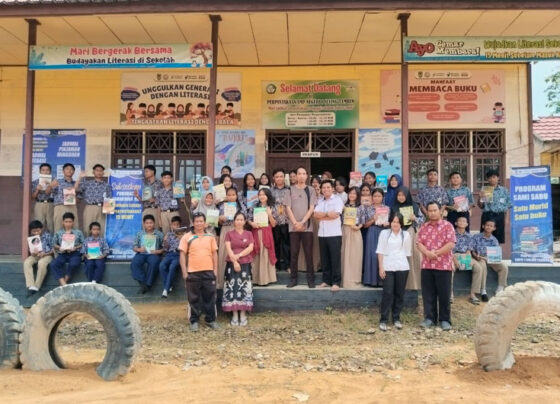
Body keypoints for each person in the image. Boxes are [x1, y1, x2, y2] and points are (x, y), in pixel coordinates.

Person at [416, 201, 456, 331]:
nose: (432, 213)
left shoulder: (447, 226)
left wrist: (437, 253)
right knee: (428, 293)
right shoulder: (424, 227)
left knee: (444, 294)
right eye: (430, 210)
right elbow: (419, 243)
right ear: (427, 212)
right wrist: (427, 253)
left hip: (443, 266)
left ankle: (445, 320)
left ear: (440, 211)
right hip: (427, 265)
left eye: (435, 210)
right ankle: (429, 318)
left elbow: (451, 244)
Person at [179, 212, 219, 332]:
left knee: (210, 297)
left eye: (201, 221)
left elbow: (214, 254)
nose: (199, 223)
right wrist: (184, 272)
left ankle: (210, 320)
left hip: (208, 271)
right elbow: (182, 255)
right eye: (197, 221)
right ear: (193, 223)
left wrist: (215, 270)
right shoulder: (187, 237)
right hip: (193, 272)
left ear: (205, 223)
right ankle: (194, 321)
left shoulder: (210, 237)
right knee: (193, 298)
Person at [377, 212, 412, 331]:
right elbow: (380, 251)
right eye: (393, 221)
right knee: (387, 293)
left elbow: (407, 253)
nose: (395, 224)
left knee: (399, 293)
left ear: (401, 223)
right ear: (390, 222)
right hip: (388, 266)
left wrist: (406, 266)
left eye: (397, 222)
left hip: (402, 266)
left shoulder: (406, 235)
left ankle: (396, 318)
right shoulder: (384, 233)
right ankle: (383, 319)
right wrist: (381, 267)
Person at [286, 167, 317, 288]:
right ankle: (293, 279)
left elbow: (312, 208)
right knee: (294, 253)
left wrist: (303, 222)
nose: (301, 176)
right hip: (293, 227)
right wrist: (295, 223)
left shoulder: (311, 190)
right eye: (299, 174)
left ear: (307, 176)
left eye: (304, 174)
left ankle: (311, 279)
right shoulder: (289, 190)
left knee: (309, 253)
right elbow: (288, 208)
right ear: (296, 176)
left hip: (307, 227)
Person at [223, 212, 255, 326]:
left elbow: (251, 248)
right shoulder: (229, 234)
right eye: (237, 219)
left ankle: (243, 313)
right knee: (233, 288)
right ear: (234, 221)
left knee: (244, 288)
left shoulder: (249, 234)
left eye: (242, 219)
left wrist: (239, 256)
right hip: (231, 264)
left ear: (245, 221)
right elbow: (228, 248)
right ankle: (234, 314)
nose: (239, 221)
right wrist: (235, 261)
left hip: (245, 263)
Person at [391, 186, 423, 291]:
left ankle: (413, 284)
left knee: (412, 258)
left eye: (403, 195)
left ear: (407, 195)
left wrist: (415, 219)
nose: (401, 197)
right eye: (399, 195)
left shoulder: (414, 206)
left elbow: (422, 220)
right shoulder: (394, 207)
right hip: (397, 234)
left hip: (411, 233)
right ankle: (400, 285)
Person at [314, 180, 344, 291]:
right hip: (322, 233)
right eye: (324, 188)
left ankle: (336, 282)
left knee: (335, 259)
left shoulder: (337, 200)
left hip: (334, 234)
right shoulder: (320, 200)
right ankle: (326, 280)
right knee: (324, 258)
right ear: (321, 190)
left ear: (332, 189)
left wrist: (323, 216)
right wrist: (327, 214)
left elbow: (336, 215)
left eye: (328, 187)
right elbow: (315, 215)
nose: (326, 189)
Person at [248, 188, 278, 286]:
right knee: (256, 253)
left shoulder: (272, 207)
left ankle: (265, 279)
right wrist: (252, 223)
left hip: (266, 232)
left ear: (268, 196)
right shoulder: (254, 206)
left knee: (265, 253)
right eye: (260, 194)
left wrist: (269, 215)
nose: (261, 196)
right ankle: (256, 279)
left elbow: (274, 224)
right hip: (256, 232)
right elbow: (248, 218)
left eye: (264, 194)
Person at [472, 219, 509, 297]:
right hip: (479, 258)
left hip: (490, 259)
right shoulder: (476, 237)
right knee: (483, 266)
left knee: (504, 266)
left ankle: (500, 288)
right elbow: (472, 250)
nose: (489, 227)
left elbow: (496, 254)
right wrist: (476, 256)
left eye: (491, 226)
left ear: (494, 228)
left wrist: (494, 258)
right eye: (487, 225)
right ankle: (483, 290)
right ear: (483, 226)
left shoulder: (494, 240)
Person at [452, 216, 485, 305]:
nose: (462, 222)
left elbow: (469, 251)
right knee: (450, 268)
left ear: (467, 224)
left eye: (464, 221)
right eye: (460, 221)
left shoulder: (469, 236)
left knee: (478, 268)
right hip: (453, 255)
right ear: (456, 223)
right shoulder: (451, 234)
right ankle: (449, 294)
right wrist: (455, 261)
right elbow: (449, 250)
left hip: (465, 255)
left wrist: (467, 260)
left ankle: (473, 294)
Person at [217, 187, 244, 288]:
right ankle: (222, 281)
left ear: (236, 196)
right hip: (225, 229)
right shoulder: (222, 206)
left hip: (237, 230)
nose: (231, 197)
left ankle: (239, 278)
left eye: (233, 195)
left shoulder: (240, 206)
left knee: (238, 252)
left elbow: (244, 217)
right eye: (229, 195)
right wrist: (220, 218)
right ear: (226, 196)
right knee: (225, 253)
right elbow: (217, 221)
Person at [363, 188, 390, 287]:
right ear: (372, 197)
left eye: (379, 196)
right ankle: (371, 280)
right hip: (372, 231)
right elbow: (365, 225)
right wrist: (373, 219)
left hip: (383, 232)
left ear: (382, 197)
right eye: (375, 196)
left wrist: (387, 224)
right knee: (372, 255)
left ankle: (382, 280)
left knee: (383, 255)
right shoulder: (368, 208)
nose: (377, 198)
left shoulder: (387, 208)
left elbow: (390, 223)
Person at [131, 214, 164, 294]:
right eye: (147, 223)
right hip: (141, 254)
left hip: (153, 254)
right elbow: (134, 246)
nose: (149, 225)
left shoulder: (159, 234)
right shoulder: (139, 234)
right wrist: (139, 249)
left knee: (154, 263)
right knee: (135, 263)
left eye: (151, 223)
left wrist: (157, 251)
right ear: (144, 224)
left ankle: (148, 284)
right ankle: (143, 283)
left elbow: (164, 248)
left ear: (154, 223)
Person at [77, 164, 112, 236]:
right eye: (97, 170)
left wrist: (108, 210)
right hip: (90, 207)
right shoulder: (86, 183)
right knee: (87, 227)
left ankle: (100, 245)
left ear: (103, 173)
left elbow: (109, 198)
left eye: (101, 171)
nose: (99, 172)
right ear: (93, 172)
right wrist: (79, 178)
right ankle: (87, 244)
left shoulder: (107, 185)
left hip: (102, 208)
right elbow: (77, 191)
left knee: (101, 227)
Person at [477, 170, 511, 244]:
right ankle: (484, 254)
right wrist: (480, 198)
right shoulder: (486, 190)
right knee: (484, 236)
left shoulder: (504, 190)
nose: (492, 179)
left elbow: (508, 205)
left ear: (498, 178)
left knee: (498, 238)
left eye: (494, 177)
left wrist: (506, 219)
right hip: (487, 215)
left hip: (499, 216)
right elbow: (481, 206)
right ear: (487, 179)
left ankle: (496, 255)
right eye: (490, 178)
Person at [51, 212, 84, 286]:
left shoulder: (78, 232)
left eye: (70, 222)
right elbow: (53, 244)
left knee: (74, 263)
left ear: (73, 222)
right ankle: (63, 283)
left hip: (75, 253)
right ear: (63, 222)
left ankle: (64, 282)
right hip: (63, 253)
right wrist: (60, 247)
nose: (68, 223)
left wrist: (76, 247)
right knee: (53, 264)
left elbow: (84, 243)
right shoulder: (58, 233)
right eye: (66, 222)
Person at [23, 220, 54, 296]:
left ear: (42, 229)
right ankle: (31, 286)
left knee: (41, 263)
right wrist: (33, 253)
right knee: (27, 262)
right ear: (31, 231)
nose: (36, 233)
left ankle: (37, 286)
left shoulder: (47, 236)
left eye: (38, 231)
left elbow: (53, 249)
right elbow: (31, 251)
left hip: (47, 255)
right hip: (36, 256)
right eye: (34, 231)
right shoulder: (31, 238)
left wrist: (45, 253)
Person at [341, 187, 364, 289]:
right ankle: (344, 280)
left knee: (355, 256)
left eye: (354, 194)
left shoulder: (361, 207)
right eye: (350, 193)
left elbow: (362, 221)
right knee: (344, 255)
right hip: (345, 230)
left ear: (357, 195)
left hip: (355, 231)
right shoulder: (344, 206)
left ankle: (354, 280)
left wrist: (357, 227)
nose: (352, 195)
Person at [271, 168, 291, 272]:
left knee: (287, 244)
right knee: (276, 244)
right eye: (277, 177)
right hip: (274, 222)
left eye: (281, 176)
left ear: (284, 177)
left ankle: (288, 265)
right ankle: (277, 265)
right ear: (274, 178)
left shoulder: (289, 190)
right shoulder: (270, 191)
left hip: (286, 221)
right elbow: (268, 205)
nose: (279, 178)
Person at [51, 163, 80, 231]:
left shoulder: (76, 184)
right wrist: (50, 186)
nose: (69, 170)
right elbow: (50, 193)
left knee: (74, 228)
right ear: (63, 171)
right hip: (60, 207)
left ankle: (74, 242)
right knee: (58, 227)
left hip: (72, 207)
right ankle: (58, 242)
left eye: (71, 169)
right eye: (67, 169)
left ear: (74, 172)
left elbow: (79, 200)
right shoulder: (57, 182)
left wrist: (73, 196)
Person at [159, 216, 182, 298]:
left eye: (177, 225)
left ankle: (165, 289)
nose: (176, 226)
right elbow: (165, 248)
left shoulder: (183, 235)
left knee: (172, 267)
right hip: (169, 254)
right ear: (171, 225)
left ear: (180, 226)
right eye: (174, 225)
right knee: (161, 266)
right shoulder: (168, 234)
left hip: (178, 255)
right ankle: (169, 285)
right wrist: (165, 241)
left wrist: (181, 238)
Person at [134, 165, 163, 230]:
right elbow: (143, 200)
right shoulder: (145, 184)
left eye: (146, 171)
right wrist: (138, 196)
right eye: (144, 172)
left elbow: (164, 198)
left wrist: (155, 200)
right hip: (146, 209)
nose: (145, 173)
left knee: (155, 230)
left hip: (155, 210)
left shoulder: (159, 183)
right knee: (145, 230)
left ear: (152, 172)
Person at [32, 163, 55, 234]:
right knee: (38, 224)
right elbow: (33, 197)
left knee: (51, 225)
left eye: (47, 170)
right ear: (40, 171)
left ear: (50, 171)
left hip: (51, 204)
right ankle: (38, 243)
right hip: (39, 204)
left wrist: (50, 186)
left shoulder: (55, 181)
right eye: (43, 170)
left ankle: (51, 243)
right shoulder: (35, 182)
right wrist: (37, 190)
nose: (45, 172)